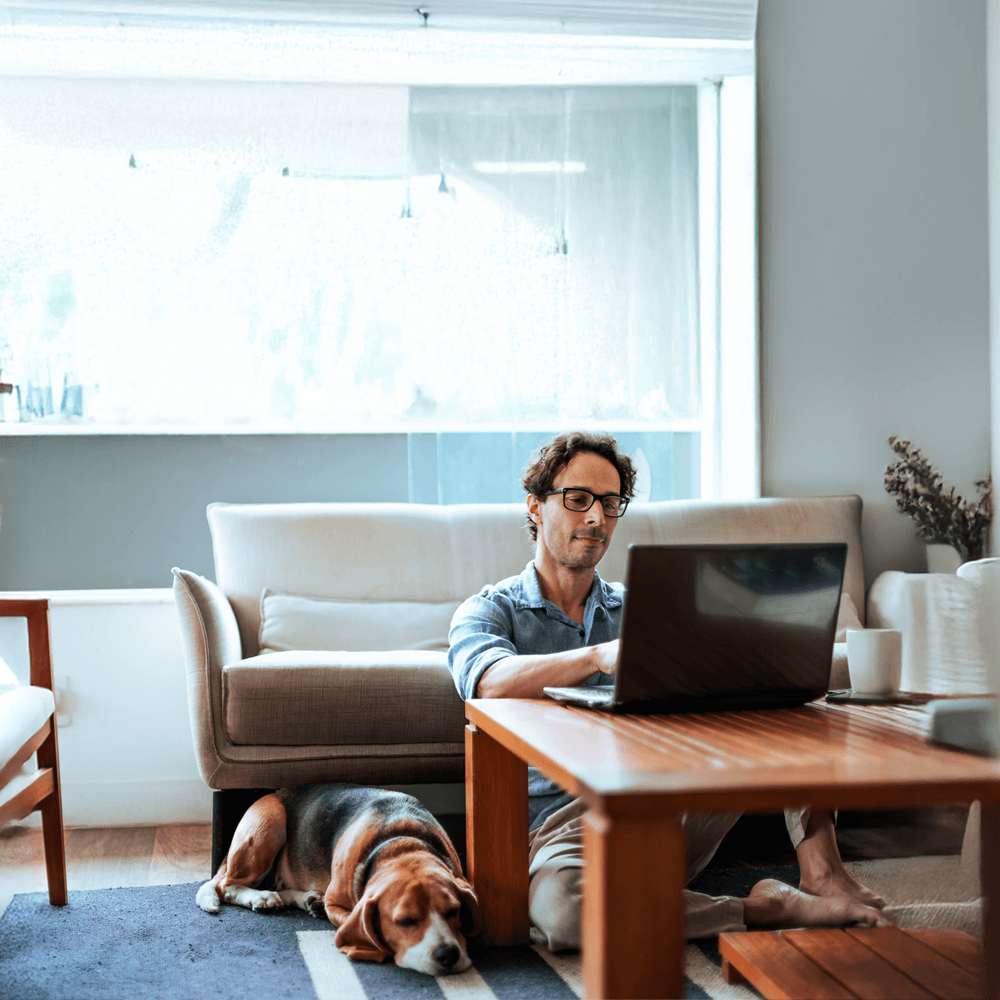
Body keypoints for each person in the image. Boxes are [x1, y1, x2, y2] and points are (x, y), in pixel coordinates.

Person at [448, 431, 890, 949]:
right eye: (578, 499)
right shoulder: (488, 610)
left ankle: (821, 870)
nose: (596, 518)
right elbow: (486, 679)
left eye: (611, 504)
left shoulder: (646, 604)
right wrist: (595, 656)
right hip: (558, 834)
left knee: (782, 701)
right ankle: (761, 909)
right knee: (565, 912)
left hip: (657, 801)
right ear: (536, 508)